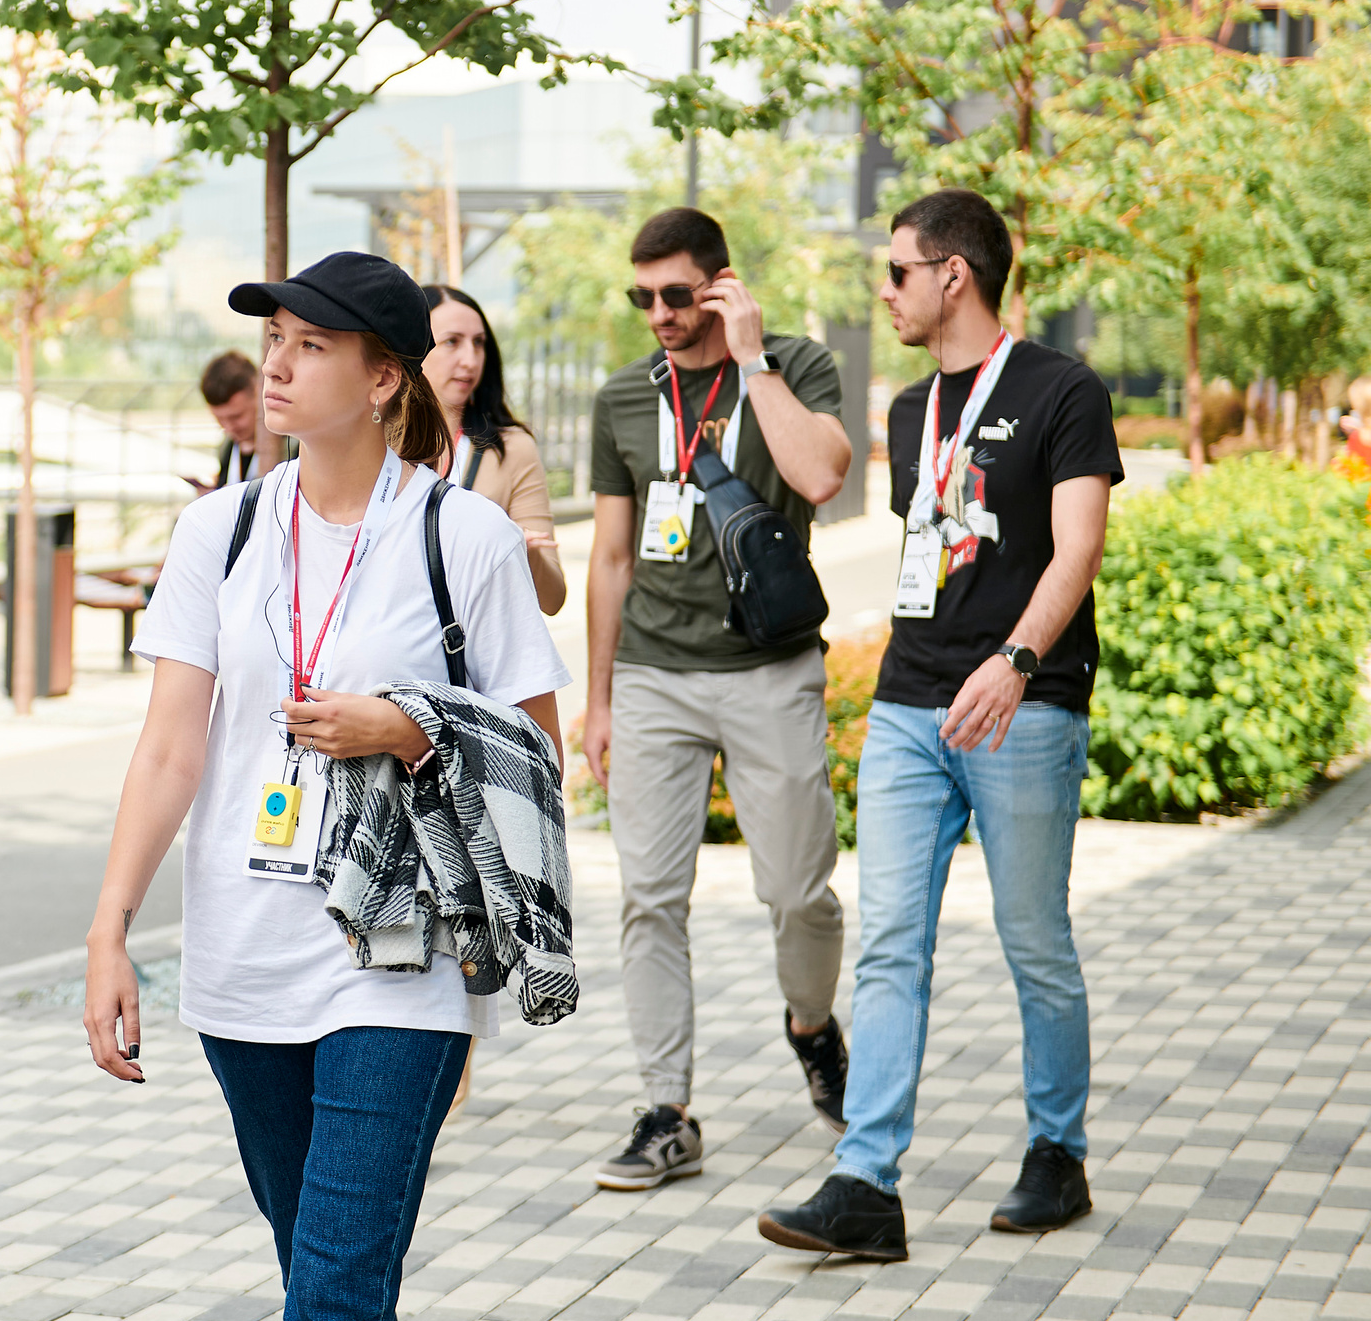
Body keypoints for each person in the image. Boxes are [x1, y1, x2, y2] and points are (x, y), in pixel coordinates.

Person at [84, 251, 569, 1321]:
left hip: (399, 957)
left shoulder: (464, 538)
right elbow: (168, 749)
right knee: (321, 1269)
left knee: (335, 1295)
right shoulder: (223, 531)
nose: (278, 367)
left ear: (384, 378)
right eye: (273, 343)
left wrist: (411, 730)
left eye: (311, 346)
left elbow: (540, 755)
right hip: (241, 954)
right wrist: (110, 929)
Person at [762, 189, 1122, 1262]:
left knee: (1032, 942)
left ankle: (1057, 1152)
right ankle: (866, 1181)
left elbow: (1074, 551)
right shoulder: (909, 408)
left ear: (952, 275)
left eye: (898, 272)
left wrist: (1016, 663)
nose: (886, 291)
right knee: (888, 949)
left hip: (1023, 707)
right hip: (912, 707)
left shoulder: (1064, 390)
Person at [580, 206, 855, 1192]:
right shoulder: (622, 398)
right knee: (649, 899)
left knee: (795, 892)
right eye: (641, 295)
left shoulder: (794, 365)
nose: (657, 312)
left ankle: (811, 1023)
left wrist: (753, 362)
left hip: (768, 669)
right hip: (654, 675)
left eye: (676, 294)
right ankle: (667, 1108)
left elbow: (820, 473)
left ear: (723, 285)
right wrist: (600, 699)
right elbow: (610, 558)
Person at [422, 286, 566, 614]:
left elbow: (554, 599)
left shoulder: (513, 448)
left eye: (479, 343)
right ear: (413, 347)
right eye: (451, 342)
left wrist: (521, 551)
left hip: (475, 654)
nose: (470, 360)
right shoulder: (376, 442)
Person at [195, 350, 274, 490]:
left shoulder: (290, 448)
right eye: (219, 419)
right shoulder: (227, 448)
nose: (229, 428)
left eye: (236, 417)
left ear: (258, 393)